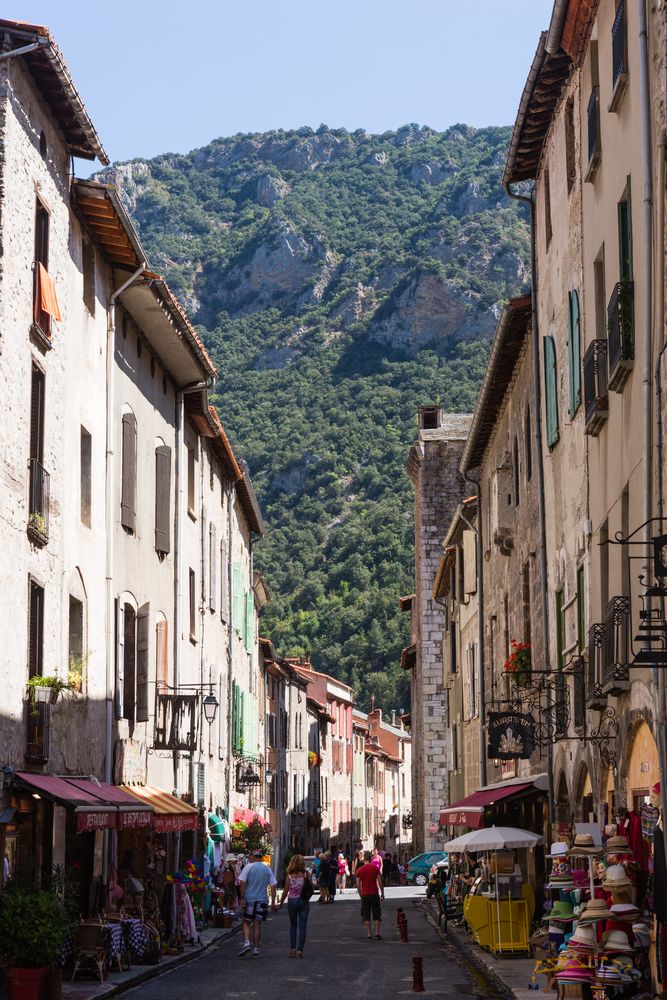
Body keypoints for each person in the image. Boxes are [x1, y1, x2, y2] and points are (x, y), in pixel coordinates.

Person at [237, 848, 277, 958]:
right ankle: (256, 950)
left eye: (250, 856)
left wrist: (242, 898)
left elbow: (242, 883)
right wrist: (273, 902)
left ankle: (246, 943)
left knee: (246, 921)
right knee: (257, 925)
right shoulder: (267, 869)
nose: (249, 858)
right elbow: (273, 886)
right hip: (262, 900)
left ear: (254, 857)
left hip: (249, 899)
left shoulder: (248, 867)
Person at [279, 854, 312, 957]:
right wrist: (307, 898)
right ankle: (300, 951)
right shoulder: (305, 874)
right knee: (303, 926)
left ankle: (292, 949)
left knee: (293, 925)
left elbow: (285, 891)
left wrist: (280, 903)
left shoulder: (289, 874)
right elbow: (311, 887)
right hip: (303, 901)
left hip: (292, 901)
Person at [356, 850, 384, 940]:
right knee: (377, 914)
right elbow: (380, 882)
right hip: (374, 893)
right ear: (371, 859)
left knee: (366, 914)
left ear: (364, 860)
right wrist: (382, 893)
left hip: (365, 894)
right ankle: (377, 933)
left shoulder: (360, 870)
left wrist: (361, 895)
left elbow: (357, 885)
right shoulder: (375, 868)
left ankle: (368, 933)